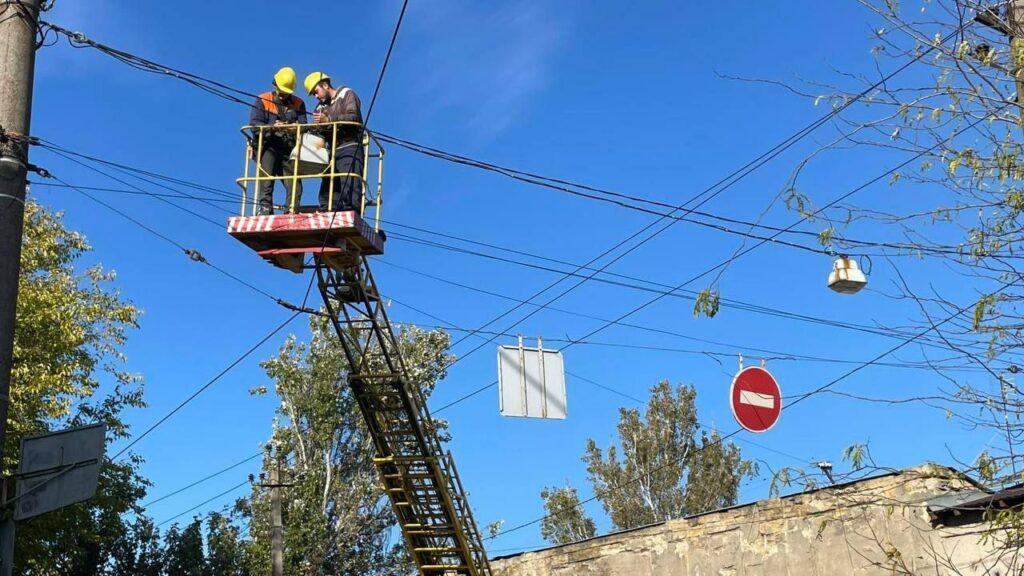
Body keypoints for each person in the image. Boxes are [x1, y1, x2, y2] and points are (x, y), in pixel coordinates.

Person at [304, 71, 364, 213]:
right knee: (328, 189)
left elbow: (353, 116)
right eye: (313, 94)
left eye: (316, 91)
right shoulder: (320, 108)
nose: (315, 96)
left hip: (350, 145)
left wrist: (329, 120)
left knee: (349, 185)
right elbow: (319, 132)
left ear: (325, 85)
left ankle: (350, 211)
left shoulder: (346, 94)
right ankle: (327, 211)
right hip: (332, 150)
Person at [249, 67, 307, 215]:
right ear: (275, 84)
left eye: (287, 92)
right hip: (269, 146)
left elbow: (305, 126)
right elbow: (254, 125)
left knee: (294, 183)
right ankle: (265, 209)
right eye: (282, 91)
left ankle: (292, 210)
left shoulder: (298, 104)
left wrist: (295, 127)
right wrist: (272, 127)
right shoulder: (263, 100)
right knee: (267, 178)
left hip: (289, 149)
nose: (284, 95)